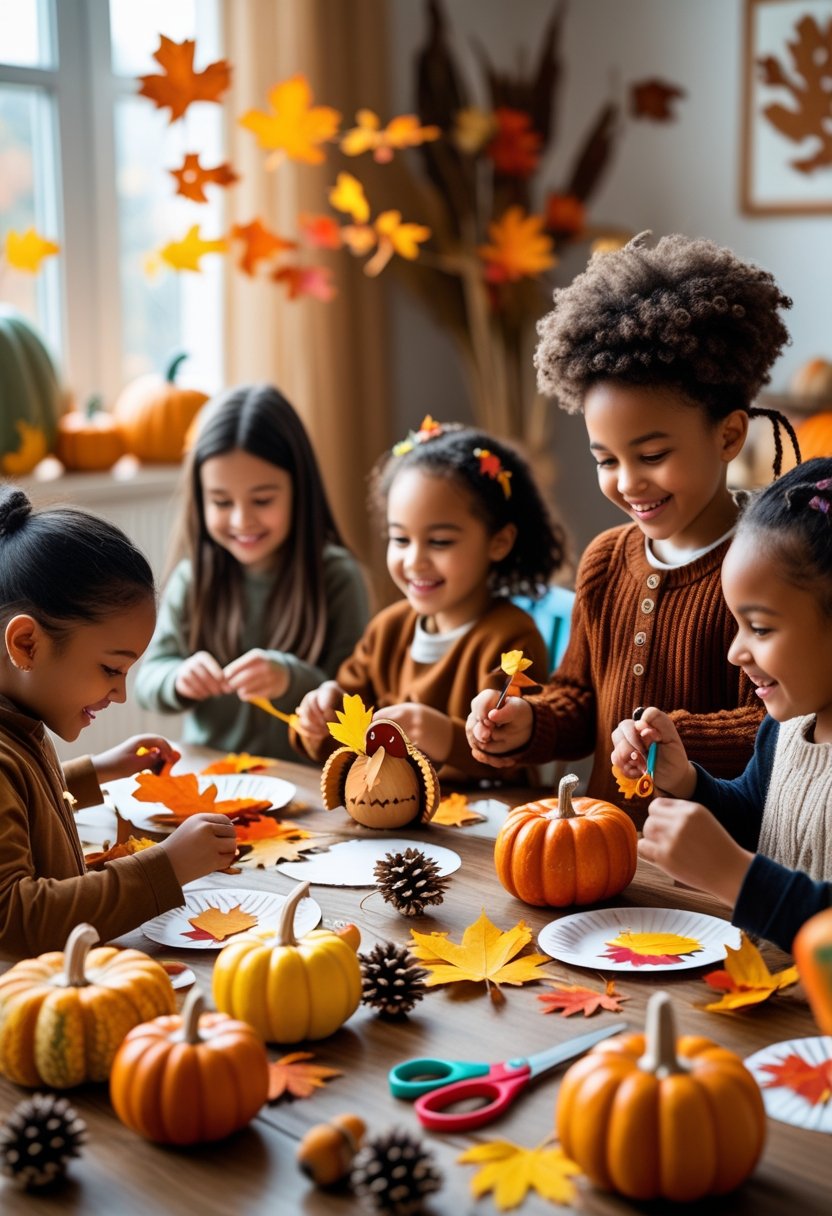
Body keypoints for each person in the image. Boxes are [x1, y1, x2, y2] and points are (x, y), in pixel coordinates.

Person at [467, 232, 800, 807]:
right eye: (605, 460)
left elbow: (782, 725)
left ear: (728, 435)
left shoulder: (767, 566)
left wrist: (673, 739)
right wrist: (528, 721)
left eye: (652, 457)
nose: (627, 482)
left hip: (709, 861)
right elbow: (578, 699)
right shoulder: (603, 562)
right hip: (601, 845)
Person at [0, 484, 237, 959]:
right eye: (111, 668)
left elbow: (26, 805)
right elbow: (14, 919)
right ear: (26, 644)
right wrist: (166, 866)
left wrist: (99, 770)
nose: (120, 692)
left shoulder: (18, 726)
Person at [610, 459, 832, 952]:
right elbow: (757, 819)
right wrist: (685, 780)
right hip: (768, 1006)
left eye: (761, 627)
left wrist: (736, 878)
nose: (736, 651)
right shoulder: (787, 730)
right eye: (737, 624)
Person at [293, 420, 566, 782]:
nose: (414, 561)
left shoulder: (512, 639)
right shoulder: (387, 630)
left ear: (498, 542)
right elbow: (343, 744)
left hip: (482, 826)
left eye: (439, 542)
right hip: (390, 820)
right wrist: (318, 718)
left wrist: (441, 735)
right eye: (400, 539)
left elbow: (512, 754)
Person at [135, 383, 370, 761]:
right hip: (212, 778)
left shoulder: (338, 576)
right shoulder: (193, 578)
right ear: (201, 497)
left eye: (262, 500)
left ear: (299, 489)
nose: (242, 519)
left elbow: (357, 694)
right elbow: (148, 680)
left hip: (307, 783)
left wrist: (290, 678)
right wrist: (178, 678)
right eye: (221, 501)